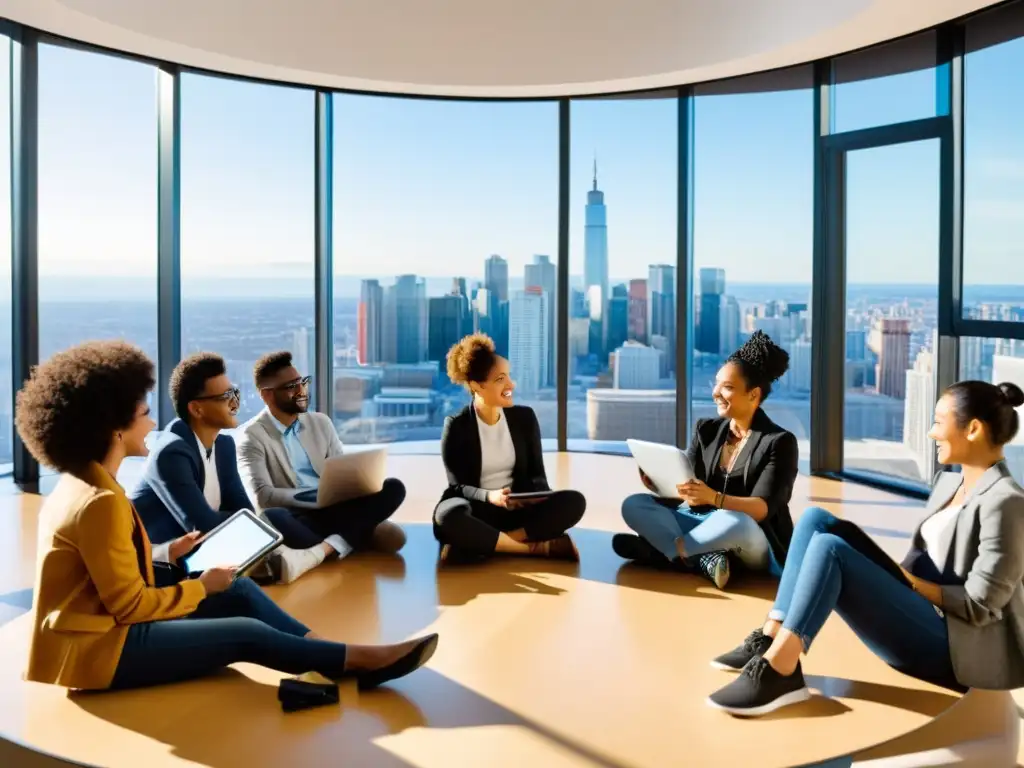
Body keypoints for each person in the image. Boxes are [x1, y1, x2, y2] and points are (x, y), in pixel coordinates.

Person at [18, 340, 438, 692]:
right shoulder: (102, 499)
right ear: (114, 428)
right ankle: (356, 660)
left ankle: (325, 651)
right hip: (99, 648)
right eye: (144, 414)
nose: (152, 423)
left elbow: (106, 569)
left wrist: (165, 555)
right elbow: (129, 607)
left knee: (237, 591)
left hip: (106, 625)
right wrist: (200, 587)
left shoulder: (86, 483)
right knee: (246, 634)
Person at [707, 379, 1024, 717]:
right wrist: (891, 579)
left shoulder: (1007, 502)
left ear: (973, 429)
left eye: (938, 422)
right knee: (816, 519)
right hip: (924, 613)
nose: (932, 433)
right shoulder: (950, 482)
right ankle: (770, 638)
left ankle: (782, 671)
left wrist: (908, 584)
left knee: (831, 549)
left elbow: (980, 606)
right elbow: (921, 562)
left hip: (958, 650)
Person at [614, 331, 798, 590]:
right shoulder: (707, 430)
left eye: (728, 387)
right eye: (716, 383)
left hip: (749, 536)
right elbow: (688, 486)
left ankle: (666, 553)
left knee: (735, 521)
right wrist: (659, 484)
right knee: (635, 504)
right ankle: (704, 558)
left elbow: (762, 509)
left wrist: (714, 498)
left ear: (754, 395)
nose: (716, 393)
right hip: (703, 523)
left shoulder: (778, 441)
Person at [131, 352, 334, 584]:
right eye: (226, 396)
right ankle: (324, 547)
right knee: (250, 580)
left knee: (274, 517)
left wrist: (237, 520)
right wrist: (237, 521)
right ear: (197, 409)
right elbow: (202, 526)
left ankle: (319, 548)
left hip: (207, 559)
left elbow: (245, 512)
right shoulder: (171, 452)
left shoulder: (224, 445)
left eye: (234, 392)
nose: (235, 402)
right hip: (159, 568)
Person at [237, 351, 407, 576]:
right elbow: (263, 496)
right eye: (291, 387)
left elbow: (342, 471)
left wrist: (355, 485)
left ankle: (323, 550)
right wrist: (312, 498)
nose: (301, 391)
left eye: (302, 382)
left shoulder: (320, 422)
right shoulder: (252, 436)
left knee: (393, 487)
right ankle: (355, 534)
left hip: (335, 507)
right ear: (267, 395)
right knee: (274, 517)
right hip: (298, 513)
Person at [433, 333, 586, 562]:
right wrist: (491, 496)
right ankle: (532, 548)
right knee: (448, 515)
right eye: (500, 379)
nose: (511, 384)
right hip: (478, 510)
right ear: (477, 386)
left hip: (517, 512)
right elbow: (458, 488)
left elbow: (537, 475)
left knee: (574, 501)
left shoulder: (524, 418)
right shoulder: (456, 426)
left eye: (509, 377)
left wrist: (531, 497)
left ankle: (486, 545)